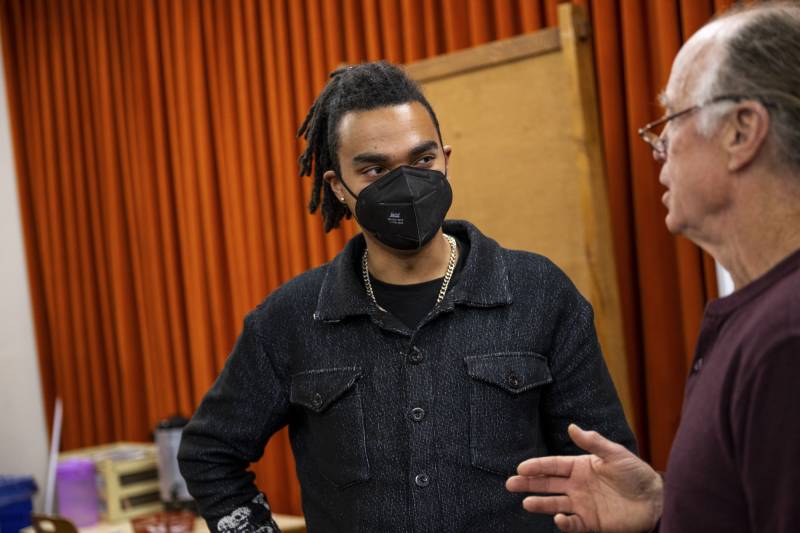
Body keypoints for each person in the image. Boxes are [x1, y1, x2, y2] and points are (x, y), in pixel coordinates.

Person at [178, 61, 635, 533]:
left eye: (422, 161)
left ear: (446, 158)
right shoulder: (290, 319)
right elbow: (209, 453)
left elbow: (602, 467)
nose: (407, 183)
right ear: (339, 187)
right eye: (376, 169)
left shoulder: (539, 293)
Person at [506, 3, 800, 533]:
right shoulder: (765, 314)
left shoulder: (787, 336)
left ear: (742, 131)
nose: (658, 147)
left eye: (672, 118)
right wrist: (666, 505)